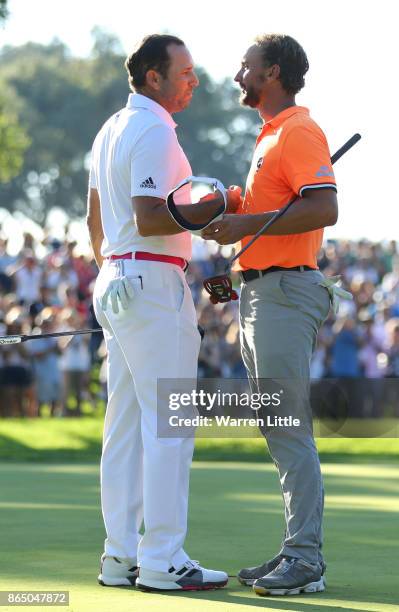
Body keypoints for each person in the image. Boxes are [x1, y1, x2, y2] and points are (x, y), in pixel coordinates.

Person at [87, 34, 229, 592]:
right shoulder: (153, 129)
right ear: (154, 78)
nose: (193, 80)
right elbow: (152, 216)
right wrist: (216, 208)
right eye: (185, 71)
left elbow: (96, 218)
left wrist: (112, 266)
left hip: (116, 278)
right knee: (168, 422)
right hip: (148, 280)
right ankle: (163, 558)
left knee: (124, 425)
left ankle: (120, 555)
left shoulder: (111, 128)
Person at [203, 34, 341, 596]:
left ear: (273, 73)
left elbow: (324, 205)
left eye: (247, 67)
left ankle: (304, 559)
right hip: (264, 291)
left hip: (286, 293)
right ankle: (296, 550)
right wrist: (237, 218)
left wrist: (243, 227)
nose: (239, 75)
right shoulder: (271, 136)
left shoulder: (298, 130)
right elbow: (278, 213)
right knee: (278, 426)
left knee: (288, 427)